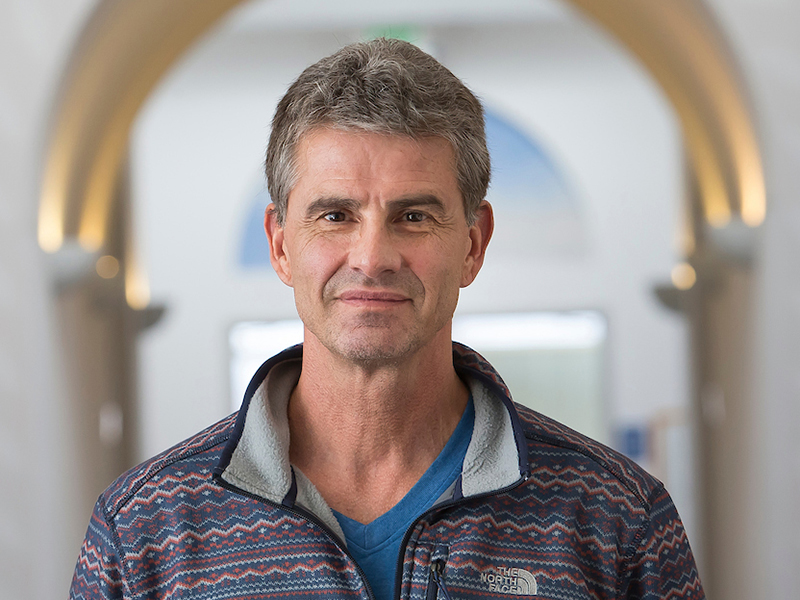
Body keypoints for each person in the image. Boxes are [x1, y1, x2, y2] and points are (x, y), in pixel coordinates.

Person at [70, 38, 704, 600]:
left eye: (414, 216)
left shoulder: (618, 520)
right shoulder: (144, 534)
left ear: (474, 243)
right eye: (335, 215)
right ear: (281, 244)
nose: (372, 258)